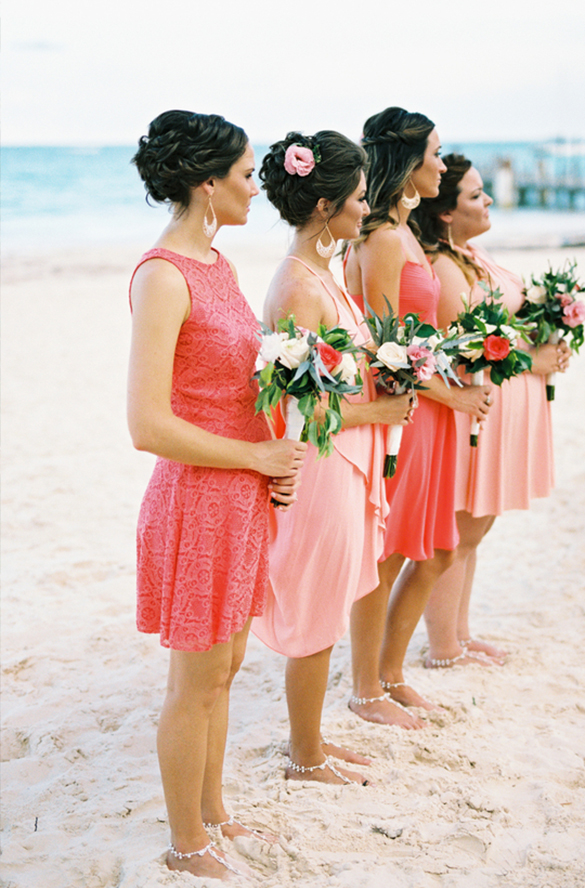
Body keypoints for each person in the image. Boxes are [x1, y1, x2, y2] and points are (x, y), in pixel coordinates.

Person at [128, 110, 306, 880]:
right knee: (195, 681)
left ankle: (214, 811)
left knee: (226, 667)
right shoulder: (163, 274)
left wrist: (275, 457)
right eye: (242, 174)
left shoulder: (219, 266)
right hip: (197, 500)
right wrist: (254, 453)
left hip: (240, 495)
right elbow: (146, 423)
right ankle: (184, 842)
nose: (253, 187)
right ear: (207, 183)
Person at [252, 130, 412, 783]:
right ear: (323, 204)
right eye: (355, 197)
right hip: (322, 466)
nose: (364, 208)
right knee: (317, 606)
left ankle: (310, 740)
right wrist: (379, 413)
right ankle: (305, 754)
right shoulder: (297, 288)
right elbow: (303, 409)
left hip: (347, 460)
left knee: (330, 601)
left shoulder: (326, 272)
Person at [344, 109, 493, 727]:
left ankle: (392, 671)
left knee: (431, 549)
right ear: (406, 162)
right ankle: (366, 689)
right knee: (388, 553)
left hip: (427, 410)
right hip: (404, 416)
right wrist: (450, 395)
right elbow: (383, 351)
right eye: (434, 152)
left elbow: (412, 342)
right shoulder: (380, 237)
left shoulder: (404, 233)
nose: (441, 163)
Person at [410, 154, 570, 666]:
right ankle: (442, 646)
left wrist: (551, 327)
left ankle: (459, 631)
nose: (488, 200)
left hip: (501, 409)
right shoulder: (443, 266)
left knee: (477, 527)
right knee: (459, 530)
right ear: (447, 213)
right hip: (472, 412)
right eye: (476, 195)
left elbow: (506, 325)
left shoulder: (473, 255)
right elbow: (468, 346)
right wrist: (535, 356)